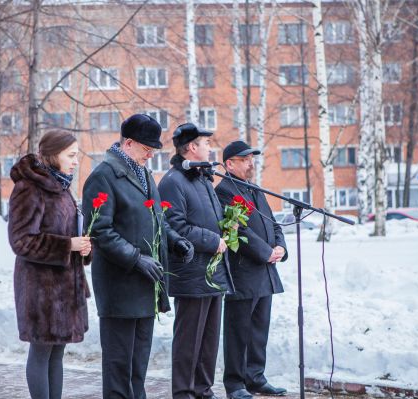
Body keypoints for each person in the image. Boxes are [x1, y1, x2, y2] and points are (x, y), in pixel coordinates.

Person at [82, 114, 194, 399]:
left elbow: (158, 219)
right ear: (128, 143)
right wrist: (136, 258)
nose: (150, 154)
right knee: (119, 366)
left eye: (153, 150)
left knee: (137, 367)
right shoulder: (103, 176)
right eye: (147, 149)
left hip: (146, 286)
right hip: (120, 287)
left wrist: (176, 241)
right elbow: (100, 231)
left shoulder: (143, 174)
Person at [7, 130, 92, 399]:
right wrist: (68, 245)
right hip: (41, 290)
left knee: (57, 354)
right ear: (53, 155)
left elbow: (68, 233)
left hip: (64, 289)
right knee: (41, 352)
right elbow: (21, 241)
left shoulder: (61, 187)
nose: (76, 161)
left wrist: (84, 247)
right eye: (71, 155)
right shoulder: (29, 188)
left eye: (76, 155)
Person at [158, 123, 234, 399]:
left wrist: (227, 229)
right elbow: (174, 225)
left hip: (212, 272)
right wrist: (212, 240)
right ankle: (183, 391)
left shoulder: (202, 179)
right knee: (189, 338)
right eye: (205, 143)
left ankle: (203, 389)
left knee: (210, 337)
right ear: (191, 147)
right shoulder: (172, 182)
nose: (209, 148)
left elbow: (209, 220)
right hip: (191, 272)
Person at [215, 141, 288, 399]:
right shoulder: (224, 191)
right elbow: (237, 230)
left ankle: (255, 378)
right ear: (229, 164)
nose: (250, 163)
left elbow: (272, 222)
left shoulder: (254, 189)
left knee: (259, 330)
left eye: (251, 158)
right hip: (243, 274)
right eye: (244, 159)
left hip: (265, 273)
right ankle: (235, 384)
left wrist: (280, 246)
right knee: (238, 332)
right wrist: (265, 252)